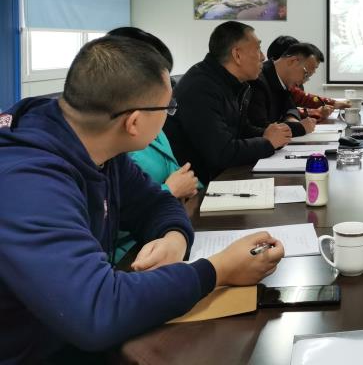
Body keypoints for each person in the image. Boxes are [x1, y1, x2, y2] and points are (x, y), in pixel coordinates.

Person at [0, 37, 284, 363]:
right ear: (134, 122)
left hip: (62, 335)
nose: (170, 117)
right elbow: (98, 311)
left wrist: (174, 238)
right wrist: (219, 270)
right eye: (167, 108)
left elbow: (155, 203)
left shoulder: (93, 144)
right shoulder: (28, 182)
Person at [106, 27, 199, 262]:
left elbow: (173, 176)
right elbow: (111, 217)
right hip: (128, 253)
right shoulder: (111, 146)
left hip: (157, 233)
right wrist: (170, 190)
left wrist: (176, 235)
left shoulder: (150, 125)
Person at [163, 22, 292, 186]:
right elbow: (221, 153)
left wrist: (268, 133)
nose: (263, 57)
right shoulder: (201, 87)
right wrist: (267, 142)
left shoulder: (233, 83)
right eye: (258, 49)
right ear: (237, 55)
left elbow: (241, 129)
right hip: (198, 187)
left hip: (220, 177)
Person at [267, 35, 349, 120]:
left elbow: (296, 104)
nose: (304, 81)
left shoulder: (287, 82)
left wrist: (332, 103)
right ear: (290, 60)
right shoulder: (265, 81)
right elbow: (281, 114)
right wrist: (315, 113)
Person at [248, 42, 323, 135]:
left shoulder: (283, 81)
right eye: (306, 74)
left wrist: (291, 118)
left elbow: (291, 108)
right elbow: (260, 127)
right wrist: (300, 128)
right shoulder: (258, 81)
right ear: (292, 61)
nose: (304, 81)